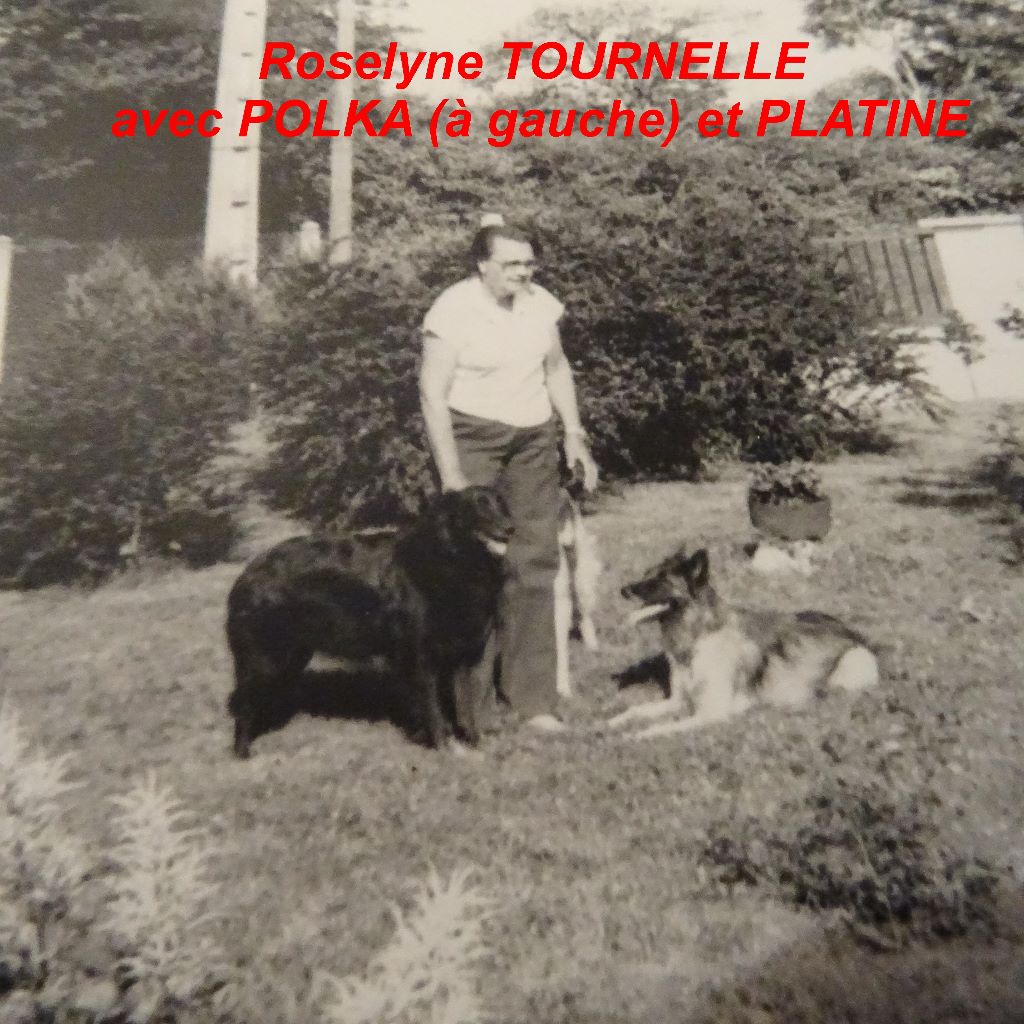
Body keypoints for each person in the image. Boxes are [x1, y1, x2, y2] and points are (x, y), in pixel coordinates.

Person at [419, 215, 598, 735]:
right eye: (512, 264)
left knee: (535, 559)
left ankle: (533, 700)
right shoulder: (452, 310)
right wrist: (451, 476)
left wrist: (573, 433)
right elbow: (432, 393)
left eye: (529, 264)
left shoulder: (540, 305)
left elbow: (556, 368)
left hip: (533, 439)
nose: (523, 273)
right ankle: (468, 708)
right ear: (482, 265)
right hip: (471, 436)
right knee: (471, 568)